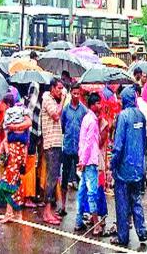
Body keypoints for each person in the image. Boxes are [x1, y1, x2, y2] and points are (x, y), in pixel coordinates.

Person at [110, 86, 147, 246]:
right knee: (136, 200)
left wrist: (113, 164)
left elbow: (118, 145)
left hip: (124, 168)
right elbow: (144, 141)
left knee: (122, 204)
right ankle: (142, 231)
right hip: (138, 167)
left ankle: (123, 237)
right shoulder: (141, 116)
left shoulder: (123, 117)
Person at [0, 93, 32, 223]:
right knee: (15, 180)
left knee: (8, 181)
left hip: (15, 151)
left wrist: (13, 127)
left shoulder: (15, 116)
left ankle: (9, 213)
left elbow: (25, 125)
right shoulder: (18, 113)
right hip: (18, 150)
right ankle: (17, 213)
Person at [74, 93, 103, 235]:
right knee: (91, 192)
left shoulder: (87, 118)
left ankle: (78, 221)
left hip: (85, 160)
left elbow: (84, 142)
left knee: (82, 191)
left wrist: (81, 160)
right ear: (92, 105)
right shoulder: (91, 121)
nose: (100, 106)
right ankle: (96, 224)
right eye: (98, 103)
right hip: (90, 161)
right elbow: (89, 143)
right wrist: (84, 161)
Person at [41, 78, 66, 225]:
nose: (61, 91)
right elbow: (56, 115)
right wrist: (62, 101)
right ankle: (46, 212)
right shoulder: (47, 99)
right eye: (59, 88)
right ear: (52, 88)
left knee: (54, 176)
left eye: (62, 89)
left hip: (56, 143)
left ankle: (49, 211)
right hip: (51, 143)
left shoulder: (52, 100)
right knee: (51, 178)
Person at [60, 84, 87, 216]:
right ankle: (63, 206)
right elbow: (62, 126)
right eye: (74, 93)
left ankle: (81, 209)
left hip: (79, 150)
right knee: (64, 178)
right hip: (68, 147)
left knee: (81, 178)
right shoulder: (65, 110)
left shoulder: (84, 110)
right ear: (71, 93)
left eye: (78, 94)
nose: (76, 96)